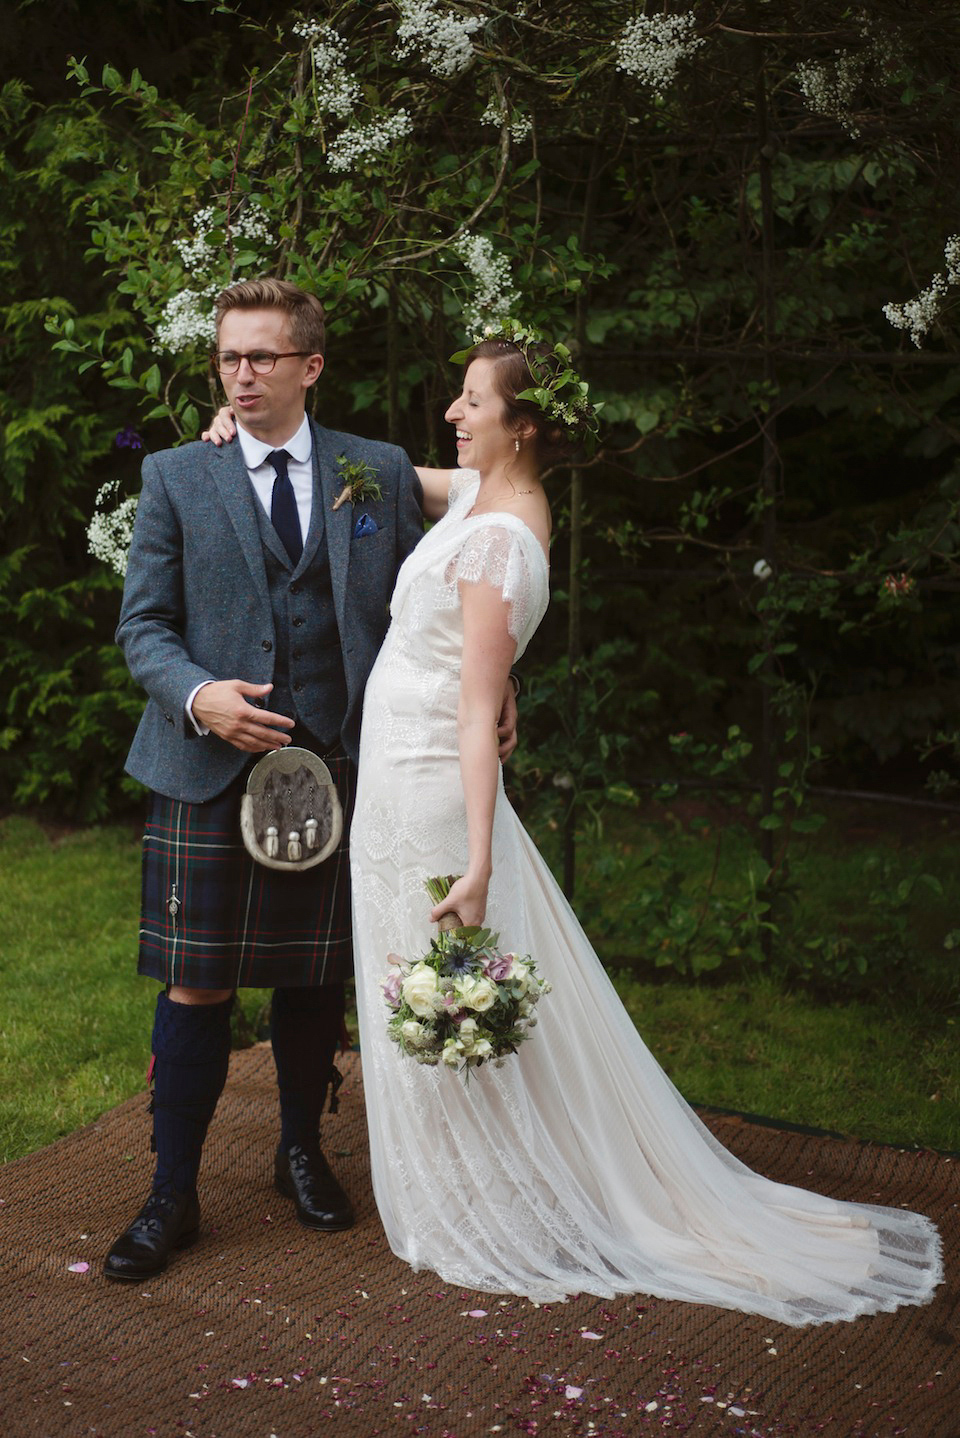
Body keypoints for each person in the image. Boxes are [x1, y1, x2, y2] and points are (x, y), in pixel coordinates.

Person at [346, 324, 943, 1323]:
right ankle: (462, 1171)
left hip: (428, 783)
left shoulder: (500, 535)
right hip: (399, 767)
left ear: (524, 426)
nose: (454, 413)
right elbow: (407, 481)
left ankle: (484, 1195)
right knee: (424, 982)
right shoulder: (485, 501)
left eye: (473, 403)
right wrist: (280, 435)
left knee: (439, 982)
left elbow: (471, 707)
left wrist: (483, 860)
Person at [106, 276, 517, 1283]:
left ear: (310, 366)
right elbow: (142, 628)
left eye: (262, 358)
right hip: (208, 773)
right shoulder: (175, 478)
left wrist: (500, 680)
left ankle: (301, 1152)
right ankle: (172, 1191)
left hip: (340, 769)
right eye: (228, 359)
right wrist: (200, 694)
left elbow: (484, 528)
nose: (241, 376)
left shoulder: (371, 468)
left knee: (312, 975)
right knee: (197, 982)